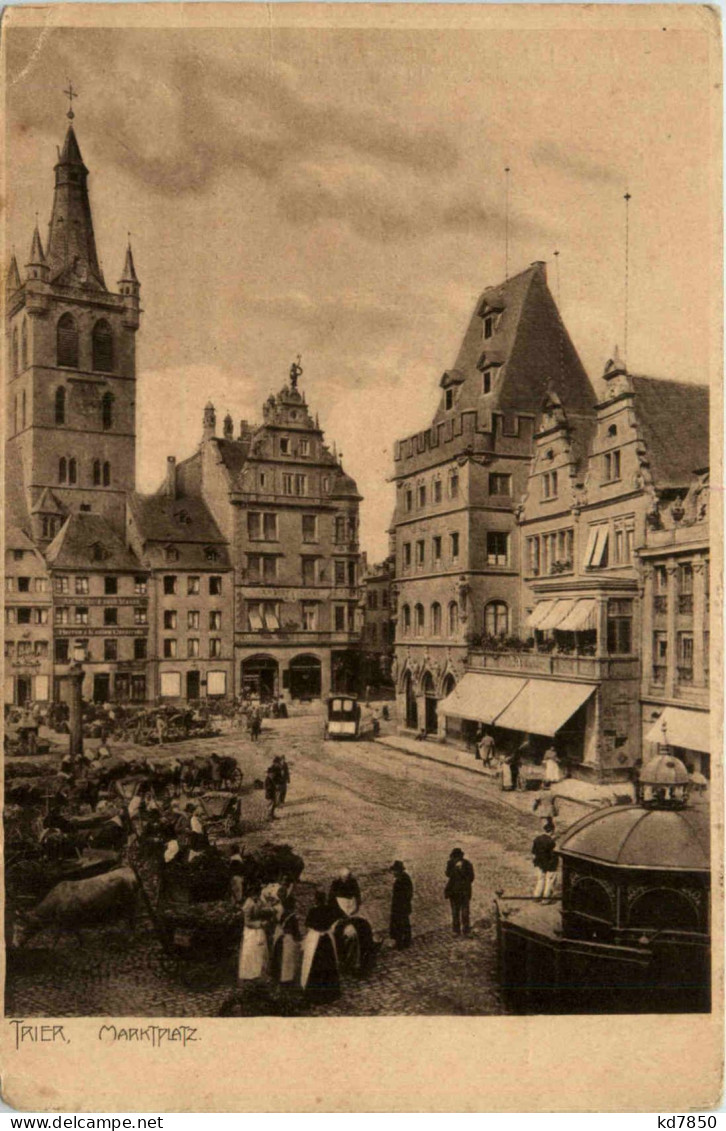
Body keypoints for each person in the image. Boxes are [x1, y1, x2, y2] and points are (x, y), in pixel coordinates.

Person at [301, 890, 340, 1003]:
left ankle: (315, 993)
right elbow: (335, 921)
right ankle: (330, 992)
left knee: (314, 963)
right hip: (327, 940)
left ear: (316, 900)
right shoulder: (329, 909)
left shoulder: (313, 910)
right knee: (329, 964)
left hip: (316, 940)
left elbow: (308, 925)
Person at [238, 885, 273, 984]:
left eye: (257, 894)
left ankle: (259, 974)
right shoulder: (248, 904)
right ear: (250, 894)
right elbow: (247, 922)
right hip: (251, 932)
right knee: (251, 952)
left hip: (259, 930)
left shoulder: (257, 901)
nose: (256, 896)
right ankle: (250, 974)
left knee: (260, 952)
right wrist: (260, 924)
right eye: (254, 894)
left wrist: (269, 910)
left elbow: (262, 909)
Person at [271, 896, 302, 987]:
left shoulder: (284, 914)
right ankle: (287, 979)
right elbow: (295, 931)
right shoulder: (293, 917)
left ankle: (279, 978)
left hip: (281, 937)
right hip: (289, 939)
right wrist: (299, 940)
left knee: (281, 957)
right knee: (288, 959)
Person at [444, 847, 475, 937]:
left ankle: (466, 930)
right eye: (454, 857)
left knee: (465, 912)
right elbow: (448, 874)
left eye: (457, 857)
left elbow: (471, 877)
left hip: (464, 892)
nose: (456, 859)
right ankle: (456, 930)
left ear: (461, 856)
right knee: (455, 912)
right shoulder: (450, 864)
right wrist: (455, 869)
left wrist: (462, 872)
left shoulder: (467, 864)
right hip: (453, 892)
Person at [532, 818, 558, 901]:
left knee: (540, 879)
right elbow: (553, 854)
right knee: (549, 881)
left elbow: (533, 851)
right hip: (550, 864)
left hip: (539, 863)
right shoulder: (551, 842)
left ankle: (537, 896)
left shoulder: (537, 839)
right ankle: (546, 899)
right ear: (552, 831)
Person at [389, 860, 413, 950]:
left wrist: (402, 904)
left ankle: (401, 943)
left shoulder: (403, 879)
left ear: (398, 870)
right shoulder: (402, 878)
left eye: (394, 871)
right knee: (402, 924)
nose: (393, 873)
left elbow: (408, 894)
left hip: (401, 906)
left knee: (400, 924)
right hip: (400, 906)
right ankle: (404, 941)